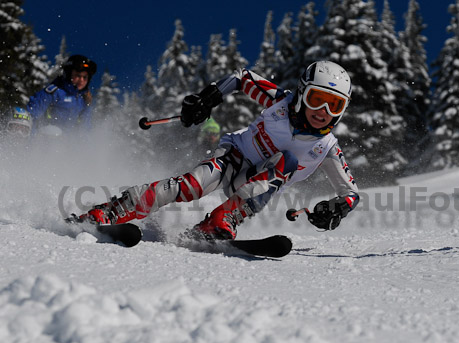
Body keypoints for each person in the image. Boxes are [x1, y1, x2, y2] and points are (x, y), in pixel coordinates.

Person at [74, 60, 359, 240]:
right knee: (192, 186)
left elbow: (350, 194)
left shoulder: (327, 147)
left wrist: (335, 210)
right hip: (233, 157)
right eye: (316, 99)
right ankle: (111, 211)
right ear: (301, 93)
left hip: (255, 185)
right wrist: (207, 99)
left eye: (334, 105)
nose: (322, 111)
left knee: (287, 161)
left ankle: (221, 221)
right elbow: (242, 77)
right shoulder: (279, 102)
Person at [27, 54, 97, 137]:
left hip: (69, 145)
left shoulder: (84, 99)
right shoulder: (54, 92)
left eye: (85, 77)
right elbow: (31, 117)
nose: (81, 80)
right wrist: (31, 143)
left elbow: (85, 128)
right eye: (77, 75)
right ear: (68, 74)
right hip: (46, 140)